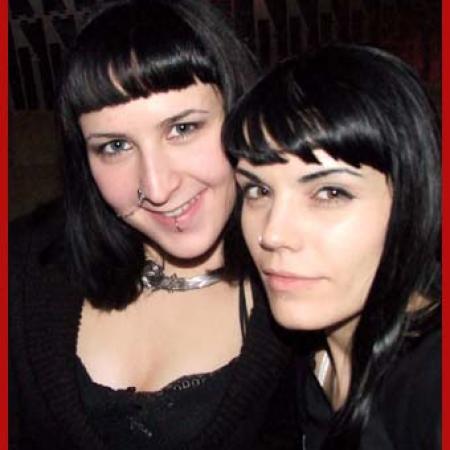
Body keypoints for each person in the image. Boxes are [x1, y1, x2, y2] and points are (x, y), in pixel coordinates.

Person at [9, 1, 299, 449]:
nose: (157, 187)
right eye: (115, 146)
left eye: (182, 128)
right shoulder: (23, 265)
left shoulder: (308, 290)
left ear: (240, 116)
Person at [223, 45, 441, 450]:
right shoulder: (303, 355)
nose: (273, 233)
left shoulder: (430, 387)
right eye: (257, 190)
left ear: (414, 200)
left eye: (330, 192)